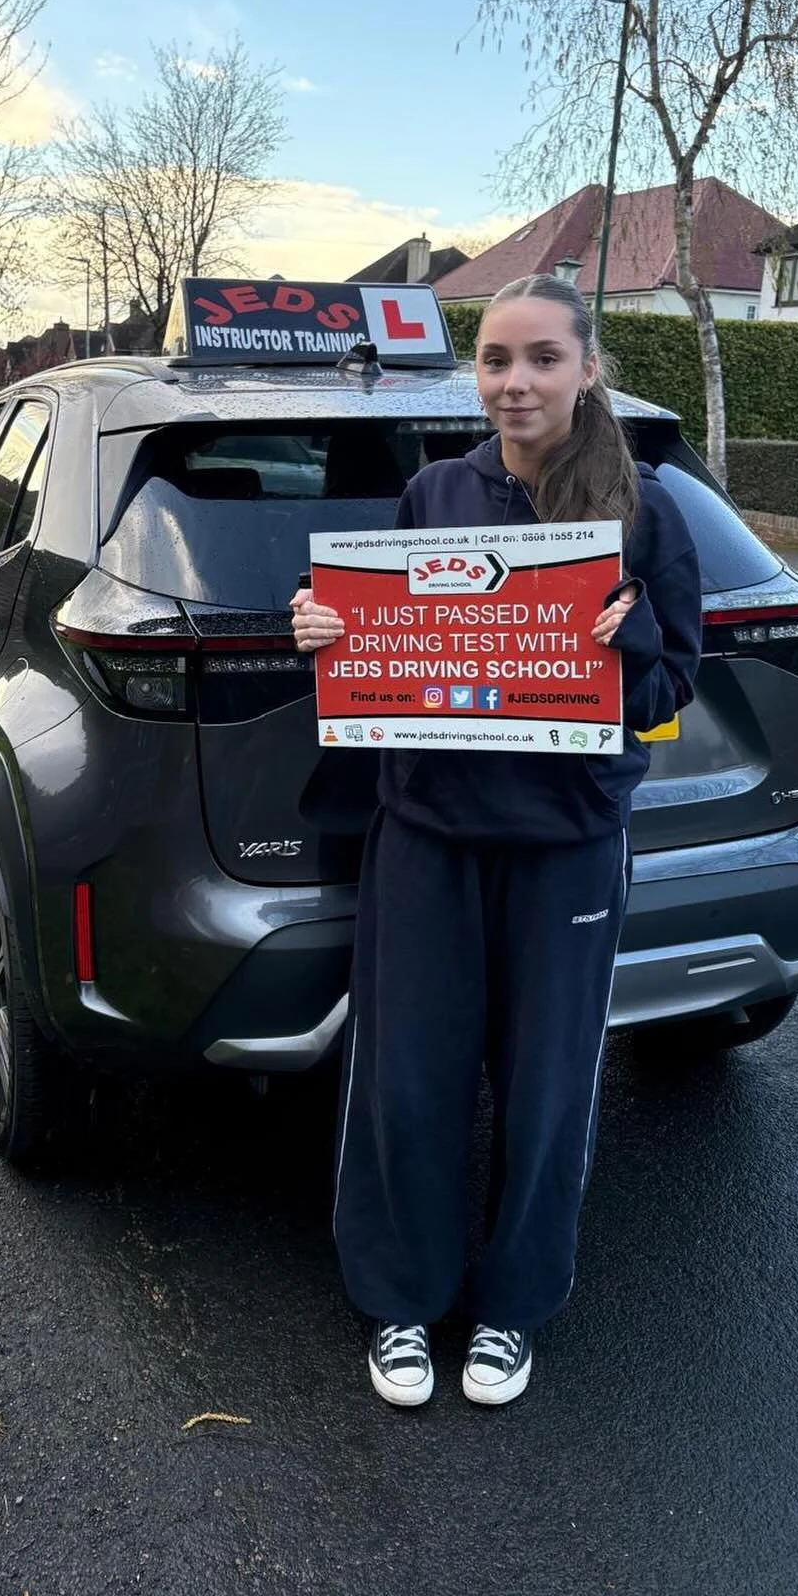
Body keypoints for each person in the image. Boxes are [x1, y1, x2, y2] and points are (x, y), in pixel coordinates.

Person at [291, 273, 702, 1409]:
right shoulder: (433, 491)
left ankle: (512, 1312)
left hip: (568, 843)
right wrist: (324, 631)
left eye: (541, 360)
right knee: (408, 1084)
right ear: (475, 373)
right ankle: (401, 1306)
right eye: (495, 361)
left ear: (586, 368)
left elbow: (670, 688)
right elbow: (381, 651)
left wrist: (637, 640)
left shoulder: (646, 510)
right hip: (426, 833)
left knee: (550, 1087)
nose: (516, 383)